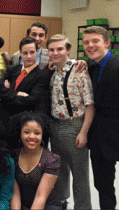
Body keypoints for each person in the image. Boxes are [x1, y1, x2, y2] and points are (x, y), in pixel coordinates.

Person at [48, 34, 94, 209]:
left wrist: (83, 132)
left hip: (74, 125)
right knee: (59, 171)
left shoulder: (79, 70)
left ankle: (83, 207)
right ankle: (60, 203)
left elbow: (90, 104)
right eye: (52, 49)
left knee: (80, 174)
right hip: (55, 125)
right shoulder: (54, 71)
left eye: (60, 49)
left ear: (68, 50)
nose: (55, 52)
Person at [82, 26, 119, 209]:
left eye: (95, 41)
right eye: (86, 42)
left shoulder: (117, 66)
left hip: (115, 129)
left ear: (106, 42)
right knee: (102, 184)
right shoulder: (89, 65)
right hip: (99, 135)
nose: (90, 45)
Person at [0, 37, 50, 147]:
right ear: (20, 53)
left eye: (32, 52)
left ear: (37, 52)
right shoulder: (12, 69)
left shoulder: (42, 75)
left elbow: (31, 100)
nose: (29, 56)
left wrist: (7, 93)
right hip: (1, 118)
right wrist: (15, 94)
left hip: (20, 122)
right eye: (25, 53)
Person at [10, 112, 61, 210]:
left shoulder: (52, 159)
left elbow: (40, 197)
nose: (32, 137)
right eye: (26, 132)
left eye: (37, 133)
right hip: (20, 204)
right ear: (20, 133)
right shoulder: (13, 156)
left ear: (43, 135)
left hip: (47, 205)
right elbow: (15, 195)